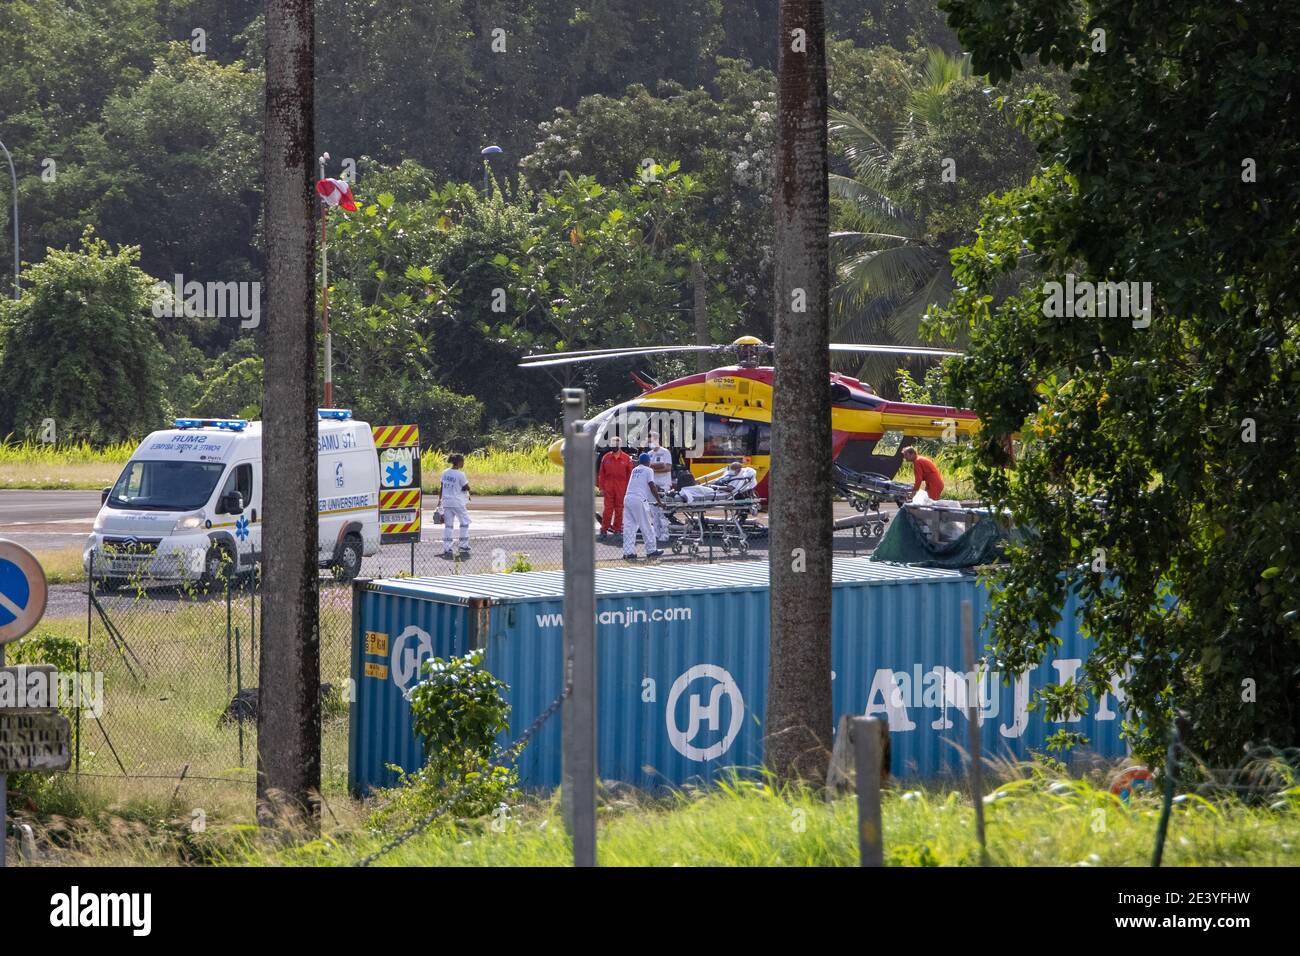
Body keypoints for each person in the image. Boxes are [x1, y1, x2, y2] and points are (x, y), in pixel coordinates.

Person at [622, 452, 665, 561]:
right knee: (646, 525)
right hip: (638, 499)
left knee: (629, 527)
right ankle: (651, 551)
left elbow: (640, 485)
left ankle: (628, 552)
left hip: (628, 499)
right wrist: (659, 501)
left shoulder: (634, 470)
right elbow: (651, 486)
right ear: (648, 462)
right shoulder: (648, 470)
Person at [672, 458, 757, 504]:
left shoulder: (739, 477)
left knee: (696, 489)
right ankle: (680, 493)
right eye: (730, 469)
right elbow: (717, 481)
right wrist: (709, 484)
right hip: (713, 490)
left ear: (738, 470)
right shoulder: (730, 475)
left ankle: (680, 494)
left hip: (717, 492)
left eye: (733, 469)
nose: (731, 471)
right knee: (696, 488)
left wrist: (715, 487)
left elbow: (730, 489)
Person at [597, 436, 632, 540]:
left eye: (616, 445)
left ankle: (617, 530)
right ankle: (604, 530)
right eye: (612, 445)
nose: (614, 447)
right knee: (607, 510)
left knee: (619, 509)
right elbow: (601, 474)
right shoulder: (606, 457)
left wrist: (628, 489)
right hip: (608, 487)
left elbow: (630, 475)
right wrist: (601, 487)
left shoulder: (626, 459)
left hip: (621, 488)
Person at [438, 454, 472, 557]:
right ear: (458, 462)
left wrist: (439, 501)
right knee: (464, 522)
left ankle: (447, 548)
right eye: (462, 461)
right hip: (457, 502)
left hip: (446, 502)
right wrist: (466, 489)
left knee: (448, 525)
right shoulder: (460, 474)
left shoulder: (445, 473)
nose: (463, 463)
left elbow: (442, 487)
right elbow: (466, 487)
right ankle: (463, 544)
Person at [646, 435, 673, 544]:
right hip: (652, 486)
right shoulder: (649, 454)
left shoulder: (665, 452)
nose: (650, 443)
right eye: (649, 441)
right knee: (653, 512)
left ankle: (665, 535)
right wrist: (658, 467)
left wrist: (653, 468)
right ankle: (656, 535)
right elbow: (647, 469)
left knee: (662, 512)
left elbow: (668, 468)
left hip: (663, 485)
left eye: (651, 441)